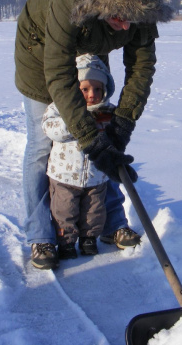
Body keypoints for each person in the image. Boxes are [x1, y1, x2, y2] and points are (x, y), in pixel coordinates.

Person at [14, 0, 174, 269]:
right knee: (41, 145)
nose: (127, 26)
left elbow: (141, 69)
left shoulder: (136, 12)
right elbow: (59, 75)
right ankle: (41, 236)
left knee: (107, 141)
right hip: (40, 54)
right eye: (120, 16)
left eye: (135, 18)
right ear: (102, 3)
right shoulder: (67, 0)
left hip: (91, 49)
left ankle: (111, 223)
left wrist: (121, 128)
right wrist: (89, 138)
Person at [43, 54, 116, 260]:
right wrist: (73, 122)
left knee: (94, 212)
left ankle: (89, 238)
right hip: (65, 175)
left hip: (96, 176)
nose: (92, 94)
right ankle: (66, 242)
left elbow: (115, 137)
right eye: (85, 89)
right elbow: (50, 128)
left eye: (98, 89)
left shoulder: (107, 111)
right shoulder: (60, 108)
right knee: (64, 211)